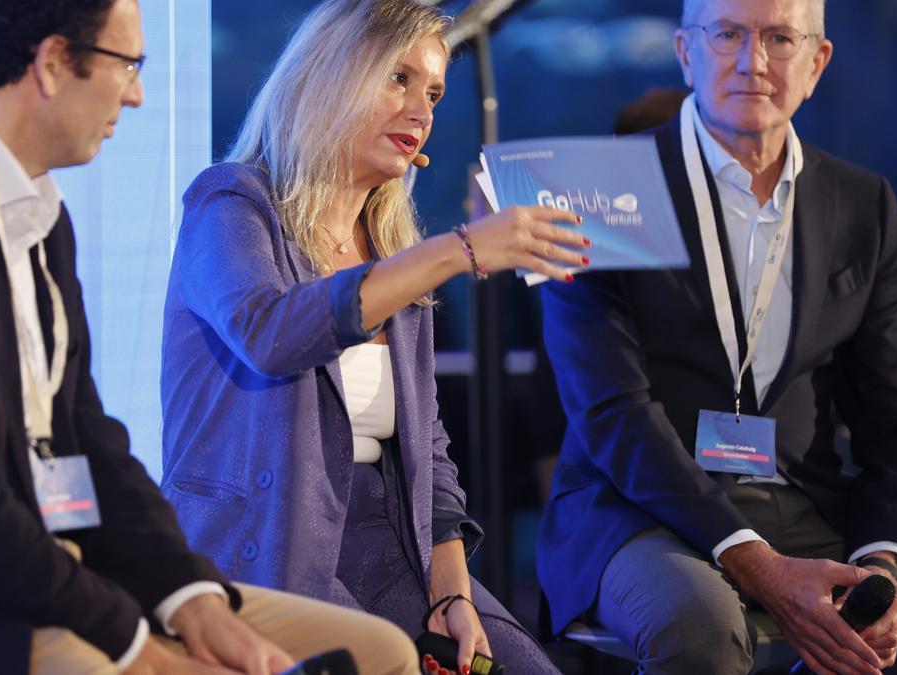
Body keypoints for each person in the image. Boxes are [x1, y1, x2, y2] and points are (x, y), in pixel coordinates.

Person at [0, 1, 421, 673]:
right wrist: (134, 643)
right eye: (127, 64)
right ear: (52, 63)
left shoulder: (38, 211)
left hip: (47, 575)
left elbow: (87, 442)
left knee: (380, 653)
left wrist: (191, 600)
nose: (137, 93)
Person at [536, 0, 897, 673]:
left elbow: (894, 413)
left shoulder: (864, 203)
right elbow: (609, 410)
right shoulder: (592, 189)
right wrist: (757, 562)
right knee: (699, 626)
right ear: (685, 51)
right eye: (728, 34)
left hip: (802, 501)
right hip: (636, 510)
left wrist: (882, 559)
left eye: (779, 37)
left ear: (816, 62)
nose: (752, 61)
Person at [158, 1, 585, 673]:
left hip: (398, 552)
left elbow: (430, 452)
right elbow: (269, 332)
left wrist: (453, 592)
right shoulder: (230, 205)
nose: (422, 110)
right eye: (398, 78)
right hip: (272, 545)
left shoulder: (389, 250)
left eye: (435, 93)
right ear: (329, 76)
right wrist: (457, 249)